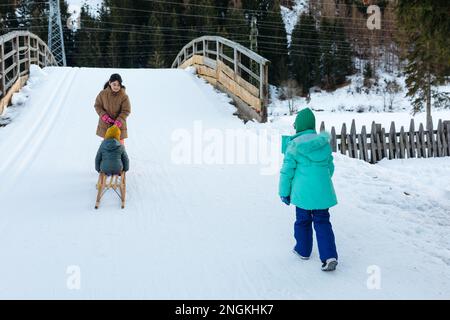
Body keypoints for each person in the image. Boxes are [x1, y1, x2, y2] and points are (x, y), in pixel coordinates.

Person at [278, 107, 339, 271]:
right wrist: (321, 183)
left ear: (298, 126)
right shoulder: (323, 144)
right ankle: (329, 257)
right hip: (322, 193)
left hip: (302, 194)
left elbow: (286, 172)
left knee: (303, 221)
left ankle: (302, 250)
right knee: (323, 222)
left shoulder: (293, 145)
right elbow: (330, 168)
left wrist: (284, 192)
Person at [94, 73, 131, 145]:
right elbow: (97, 105)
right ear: (110, 83)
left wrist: (119, 121)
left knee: (119, 146)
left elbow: (126, 110)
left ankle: (121, 156)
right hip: (106, 125)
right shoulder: (102, 94)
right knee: (107, 146)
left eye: (118, 85)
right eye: (114, 84)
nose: (116, 87)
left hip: (119, 126)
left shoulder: (124, 96)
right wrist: (103, 116)